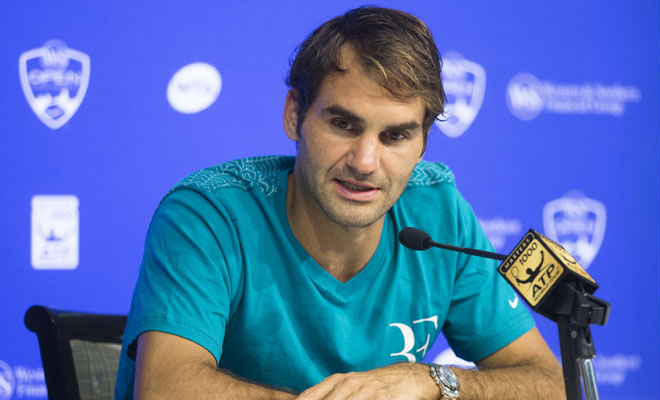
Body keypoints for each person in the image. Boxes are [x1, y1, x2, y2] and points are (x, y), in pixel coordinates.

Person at [115, 6, 565, 399]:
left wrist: (429, 380)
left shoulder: (439, 212)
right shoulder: (209, 214)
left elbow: (550, 385)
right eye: (344, 125)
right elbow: (165, 389)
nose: (365, 162)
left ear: (424, 142)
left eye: (395, 136)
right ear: (295, 114)